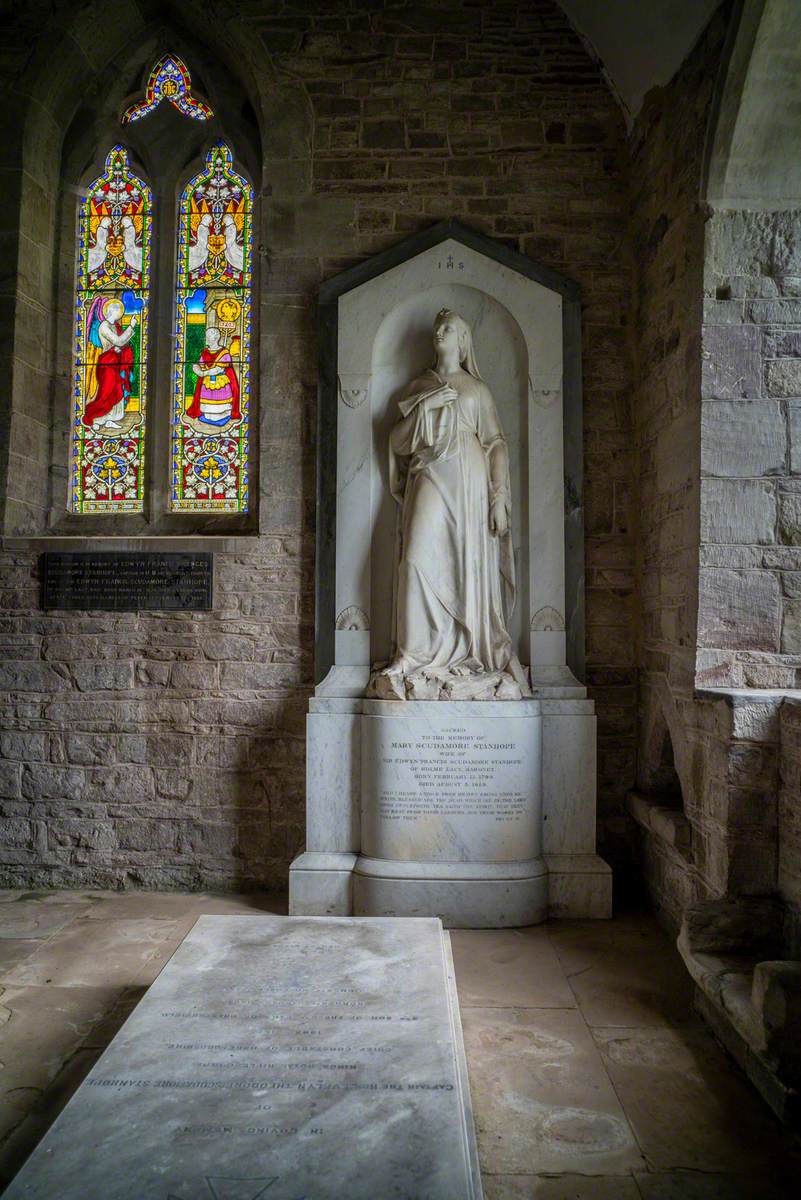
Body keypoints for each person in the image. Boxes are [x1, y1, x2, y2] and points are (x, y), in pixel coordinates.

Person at [374, 308, 530, 699]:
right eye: (439, 327)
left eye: (452, 328)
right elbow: (396, 442)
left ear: (463, 343)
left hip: (470, 484)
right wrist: (425, 408)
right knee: (414, 560)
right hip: (429, 475)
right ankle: (411, 656)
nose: (442, 331)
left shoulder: (477, 390)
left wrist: (499, 499)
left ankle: (468, 650)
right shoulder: (418, 388)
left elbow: (495, 444)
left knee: (466, 567)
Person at [82, 297, 137, 430]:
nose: (120, 313)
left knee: (117, 389)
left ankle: (109, 418)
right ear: (110, 311)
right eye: (118, 310)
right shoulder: (104, 326)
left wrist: (121, 348)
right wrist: (131, 327)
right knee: (106, 392)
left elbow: (121, 343)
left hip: (116, 362)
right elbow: (118, 341)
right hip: (107, 363)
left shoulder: (115, 326)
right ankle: (95, 417)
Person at [187, 326, 240, 426]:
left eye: (208, 336)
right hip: (207, 382)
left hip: (220, 382)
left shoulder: (224, 353)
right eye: (206, 336)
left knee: (221, 405)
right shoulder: (205, 352)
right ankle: (207, 416)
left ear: (216, 338)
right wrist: (197, 368)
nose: (206, 339)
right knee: (207, 404)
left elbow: (219, 369)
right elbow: (201, 365)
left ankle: (222, 416)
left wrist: (204, 373)